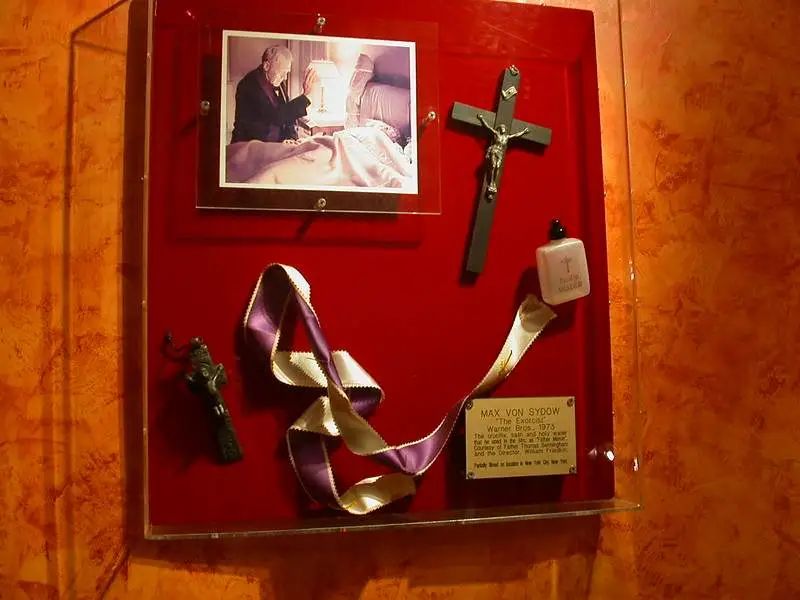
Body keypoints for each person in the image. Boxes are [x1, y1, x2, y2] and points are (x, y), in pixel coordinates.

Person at [231, 45, 319, 144]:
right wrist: (305, 96)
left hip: (274, 145)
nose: (285, 78)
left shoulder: (276, 81)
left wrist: (291, 137)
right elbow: (275, 116)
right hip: (251, 145)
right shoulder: (249, 85)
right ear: (266, 66)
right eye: (282, 73)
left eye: (286, 73)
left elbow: (288, 117)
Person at [477, 114, 529, 196]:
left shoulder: (507, 137)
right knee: (493, 165)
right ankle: (491, 182)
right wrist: (481, 119)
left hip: (500, 153)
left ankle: (493, 182)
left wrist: (524, 131)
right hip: (494, 150)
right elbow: (488, 127)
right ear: (500, 129)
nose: (503, 129)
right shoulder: (496, 134)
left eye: (504, 128)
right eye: (502, 128)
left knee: (497, 167)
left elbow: (516, 135)